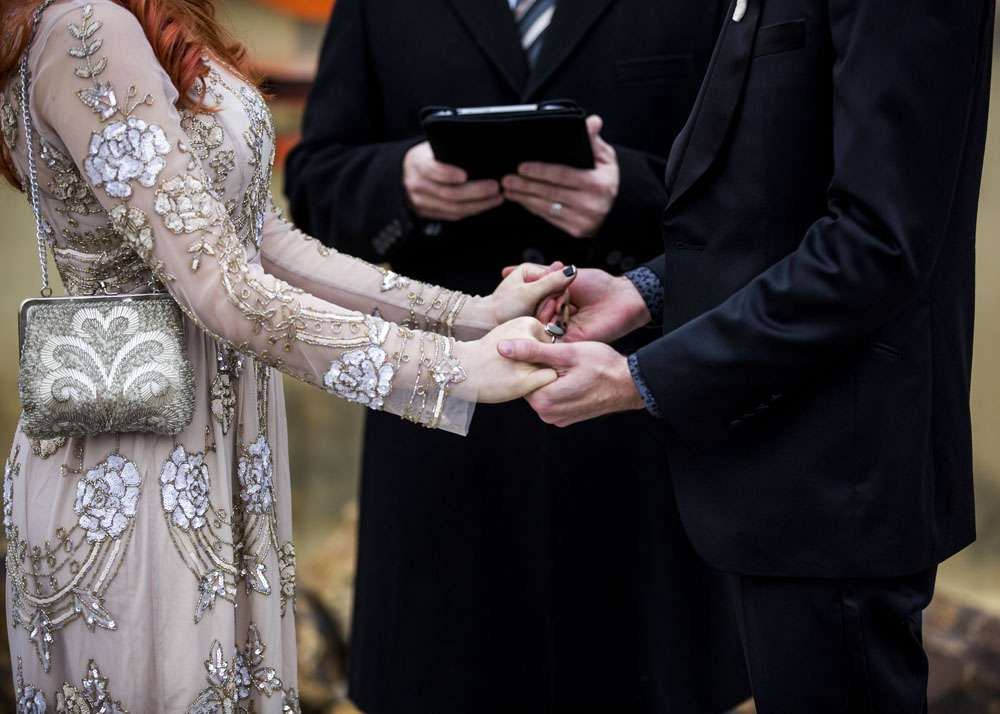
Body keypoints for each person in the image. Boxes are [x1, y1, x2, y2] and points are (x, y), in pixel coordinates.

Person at [0, 0, 577, 708]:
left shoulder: (138, 16)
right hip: (135, 476)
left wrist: (468, 315)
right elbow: (223, 288)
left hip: (218, 454)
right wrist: (449, 370)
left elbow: (266, 246)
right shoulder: (86, 27)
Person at [501, 0, 994, 711]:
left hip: (839, 479)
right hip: (778, 467)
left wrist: (642, 378)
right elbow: (774, 208)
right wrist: (644, 292)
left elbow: (873, 248)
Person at [284, 1, 748, 712]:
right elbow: (314, 185)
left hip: (636, 438)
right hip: (441, 442)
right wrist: (401, 183)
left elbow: (754, 193)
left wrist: (629, 195)